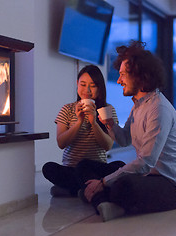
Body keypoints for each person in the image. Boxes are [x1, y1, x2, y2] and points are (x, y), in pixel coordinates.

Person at [79, 41, 176, 222]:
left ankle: (97, 195)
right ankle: (104, 200)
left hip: (170, 186)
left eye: (123, 74)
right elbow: (124, 140)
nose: (119, 80)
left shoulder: (159, 109)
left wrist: (104, 182)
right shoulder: (138, 105)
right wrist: (109, 124)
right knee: (85, 166)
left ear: (140, 76)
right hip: (147, 176)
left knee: (122, 185)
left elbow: (146, 162)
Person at [42, 65, 125, 197]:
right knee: (48, 168)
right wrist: (79, 122)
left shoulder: (107, 109)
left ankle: (73, 190)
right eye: (83, 84)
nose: (87, 90)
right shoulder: (67, 109)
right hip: (72, 169)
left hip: (97, 168)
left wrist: (93, 122)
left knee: (120, 166)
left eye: (92, 85)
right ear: (77, 84)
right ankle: (93, 187)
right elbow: (61, 143)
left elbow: (108, 146)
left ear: (100, 88)